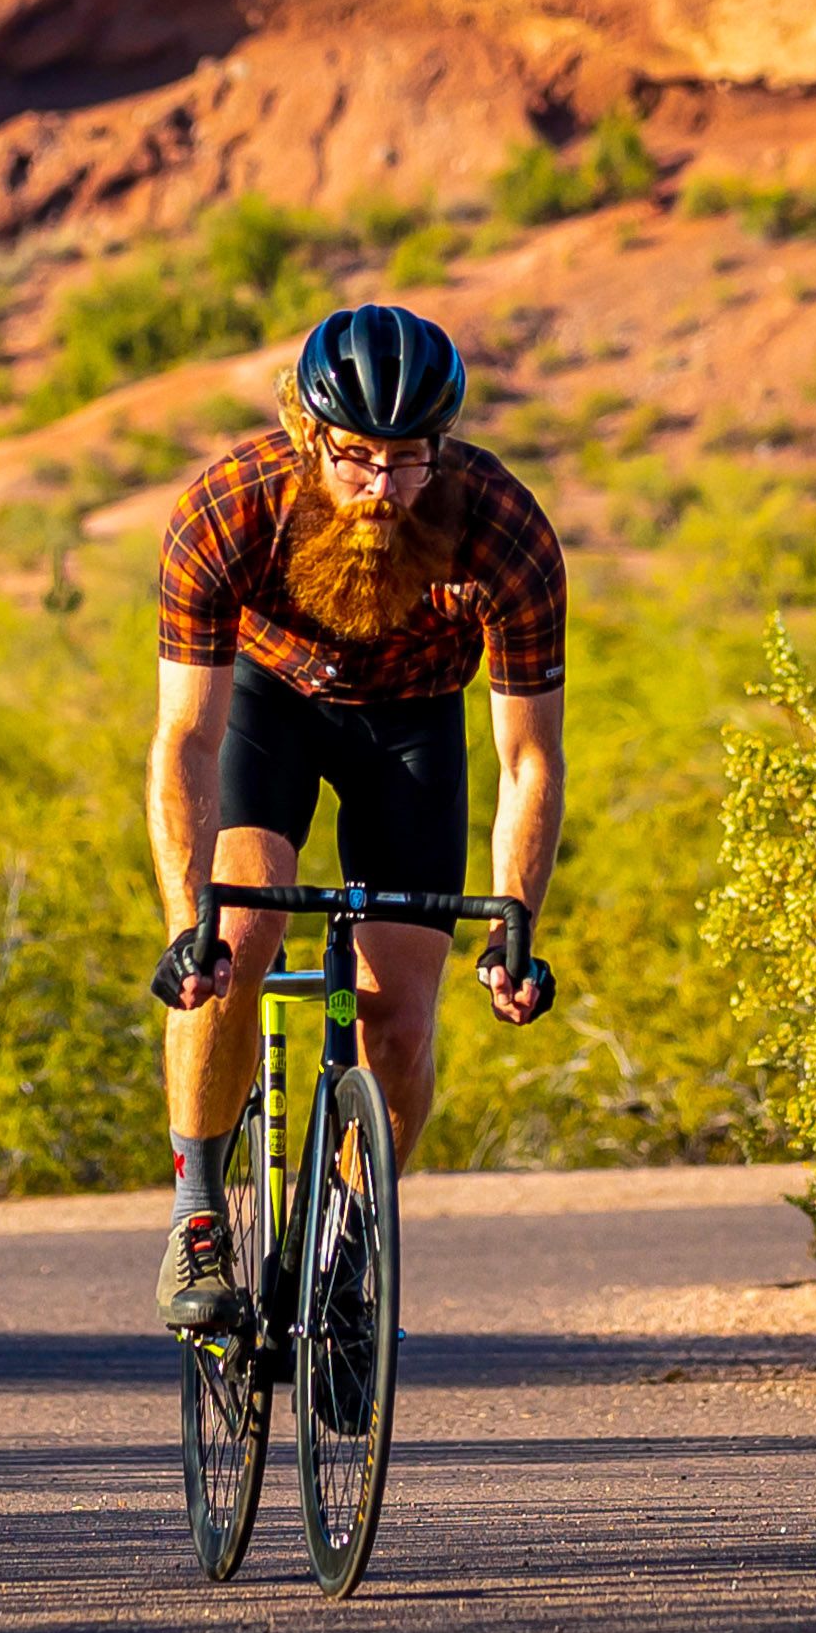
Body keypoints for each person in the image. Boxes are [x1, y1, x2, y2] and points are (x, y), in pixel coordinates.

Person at [140, 302, 565, 1334]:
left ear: (443, 445)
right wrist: (183, 920)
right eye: (357, 457)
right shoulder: (230, 508)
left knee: (399, 1012)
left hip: (412, 722)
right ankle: (198, 1210)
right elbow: (186, 741)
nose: (382, 487)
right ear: (308, 433)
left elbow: (528, 756)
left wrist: (516, 926)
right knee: (233, 943)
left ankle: (350, 1232)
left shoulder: (503, 529)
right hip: (269, 710)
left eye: (409, 458)